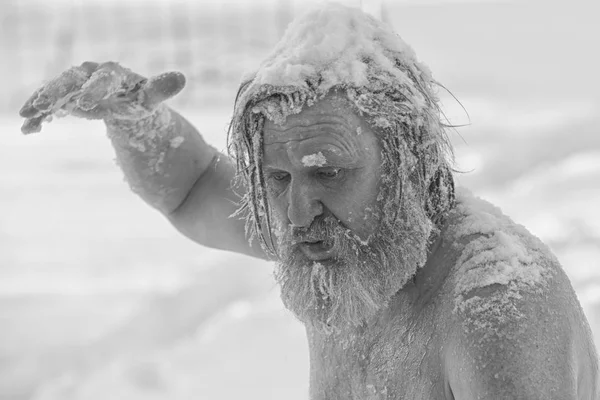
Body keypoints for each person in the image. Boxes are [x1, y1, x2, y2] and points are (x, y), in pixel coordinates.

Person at [18, 3, 598, 399]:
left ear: (408, 167)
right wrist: (135, 120)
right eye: (276, 178)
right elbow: (191, 188)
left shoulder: (493, 310)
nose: (295, 214)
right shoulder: (343, 242)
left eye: (330, 173)